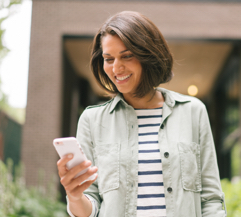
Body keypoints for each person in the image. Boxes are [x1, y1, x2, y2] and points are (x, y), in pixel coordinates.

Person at [57, 11, 227, 217]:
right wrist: (75, 196)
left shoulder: (193, 111)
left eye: (127, 56)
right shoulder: (92, 121)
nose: (116, 68)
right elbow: (90, 207)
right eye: (108, 59)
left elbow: (211, 200)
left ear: (149, 55)